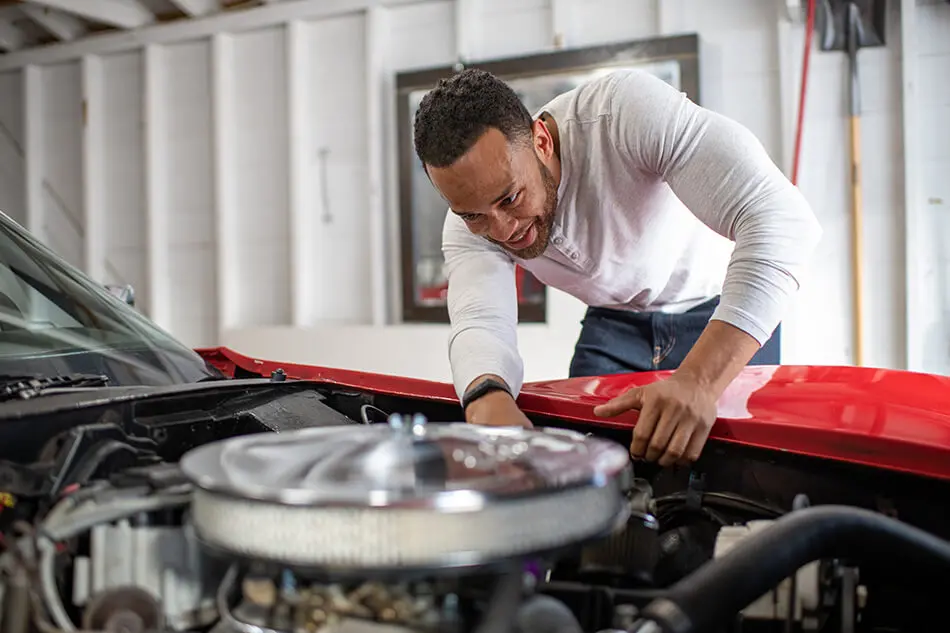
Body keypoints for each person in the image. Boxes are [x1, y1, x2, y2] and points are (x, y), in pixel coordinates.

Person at [412, 67, 822, 466]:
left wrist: (698, 380)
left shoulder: (624, 114)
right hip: (616, 323)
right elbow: (481, 321)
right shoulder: (469, 226)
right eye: (473, 215)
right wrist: (487, 400)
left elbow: (783, 220)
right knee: (587, 467)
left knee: (737, 472)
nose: (502, 230)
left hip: (718, 311)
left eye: (510, 199)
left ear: (541, 141)